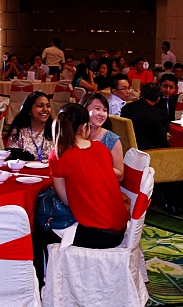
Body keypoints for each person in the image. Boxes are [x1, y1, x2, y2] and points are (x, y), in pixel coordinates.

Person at [49, 103, 129, 248]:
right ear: (84, 127)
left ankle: (43, 270)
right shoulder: (100, 148)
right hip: (119, 227)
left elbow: (67, 201)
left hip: (99, 233)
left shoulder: (59, 155)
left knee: (40, 229)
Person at [79, 93, 124, 180]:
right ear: (84, 109)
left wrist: (95, 166)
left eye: (104, 110)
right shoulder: (75, 135)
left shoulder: (112, 139)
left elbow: (120, 175)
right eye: (97, 109)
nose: (102, 114)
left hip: (102, 184)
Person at [6, 91, 54, 162]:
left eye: (48, 106)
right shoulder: (19, 131)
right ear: (29, 110)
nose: (45, 109)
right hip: (25, 171)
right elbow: (12, 158)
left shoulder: (55, 131)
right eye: (40, 106)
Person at [121, 83, 169, 149]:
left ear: (141, 94)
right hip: (149, 151)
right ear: (158, 98)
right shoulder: (158, 114)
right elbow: (162, 141)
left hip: (128, 149)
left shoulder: (126, 108)